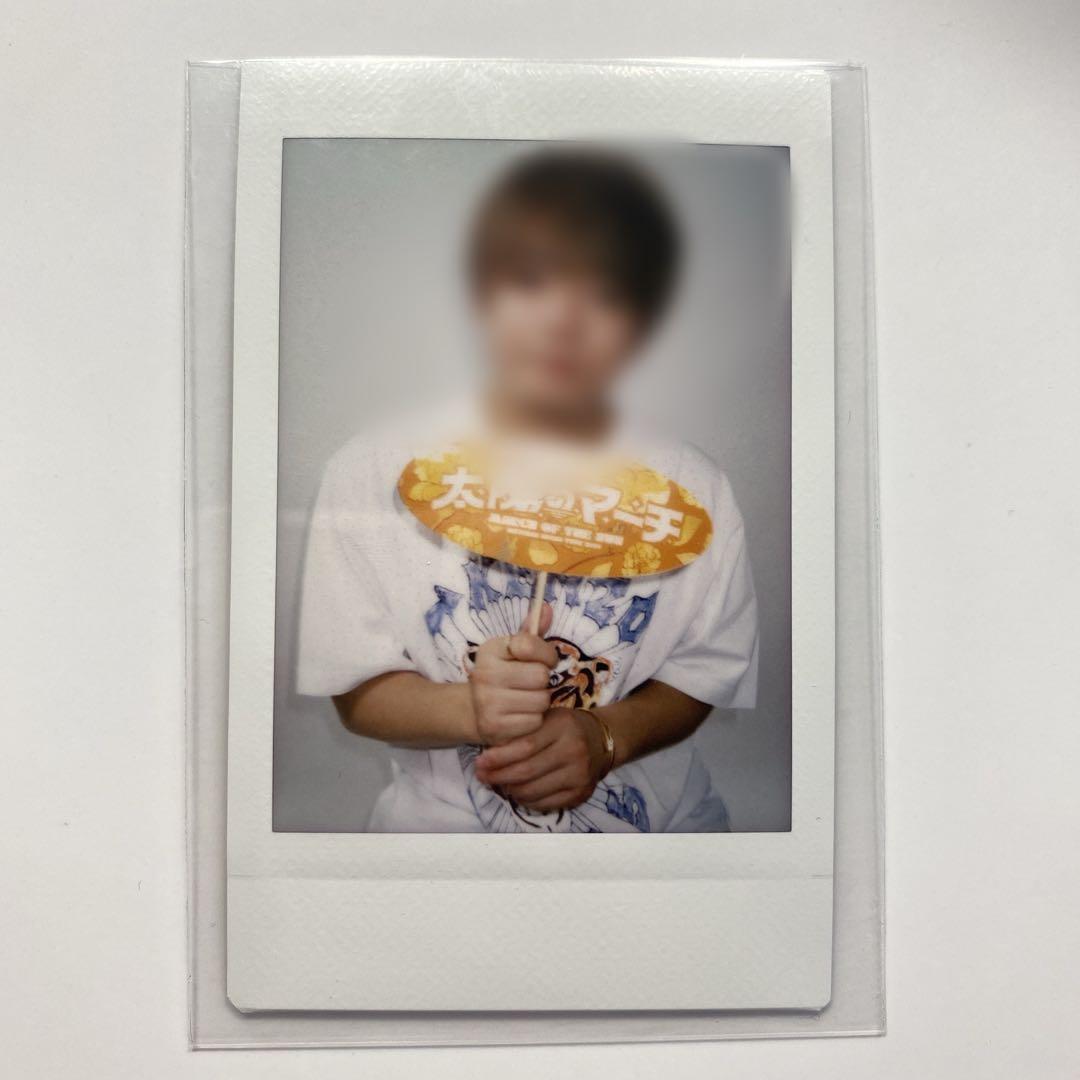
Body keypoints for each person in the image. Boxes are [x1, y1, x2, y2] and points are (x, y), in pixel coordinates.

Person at [297, 148, 758, 832]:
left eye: (607, 288)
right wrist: (468, 709)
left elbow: (702, 673)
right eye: (532, 277)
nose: (564, 319)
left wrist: (605, 738)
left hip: (660, 839)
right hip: (439, 846)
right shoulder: (370, 473)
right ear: (480, 292)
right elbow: (356, 691)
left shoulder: (694, 492)